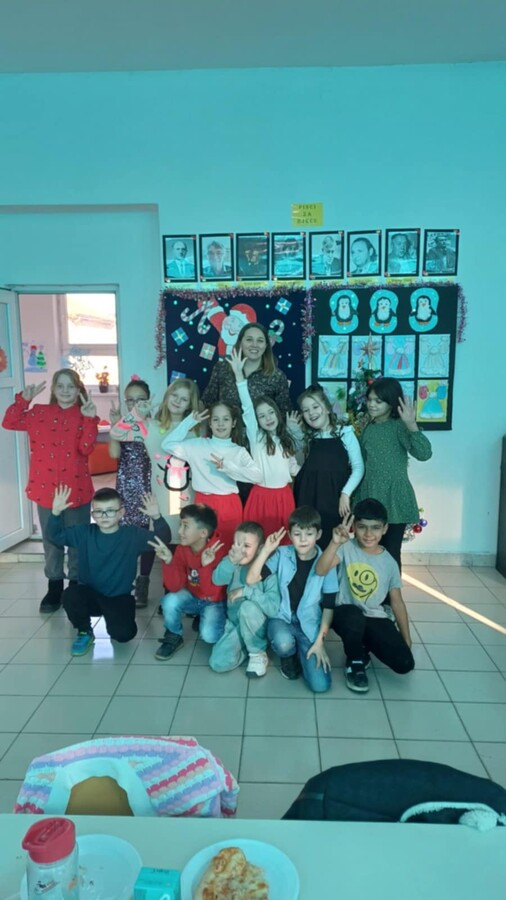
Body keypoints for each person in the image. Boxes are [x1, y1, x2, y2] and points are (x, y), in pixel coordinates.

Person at [2, 368, 99, 613]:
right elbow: (9, 422)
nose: (65, 390)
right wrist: (23, 400)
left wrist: (90, 419)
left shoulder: (85, 415)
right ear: (54, 389)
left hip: (76, 488)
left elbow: (86, 449)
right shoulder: (38, 412)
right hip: (45, 490)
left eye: (70, 386)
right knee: (51, 538)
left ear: (78, 390)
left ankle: (76, 585)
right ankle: (54, 585)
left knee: (77, 539)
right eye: (60, 386)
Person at [46, 485, 172, 656]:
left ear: (121, 513)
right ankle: (84, 631)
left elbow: (163, 539)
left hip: (118, 597)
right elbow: (54, 536)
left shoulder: (133, 535)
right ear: (93, 515)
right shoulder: (84, 533)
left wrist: (157, 517)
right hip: (90, 595)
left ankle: (113, 618)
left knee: (124, 635)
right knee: (70, 594)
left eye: (110, 511)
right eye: (99, 511)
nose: (104, 516)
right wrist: (55, 513)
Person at [315, 499, 414, 693]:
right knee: (354, 617)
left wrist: (406, 639)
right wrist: (334, 543)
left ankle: (363, 644)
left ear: (385, 528)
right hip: (345, 613)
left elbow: (397, 602)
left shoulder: (389, 562)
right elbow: (320, 570)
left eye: (375, 528)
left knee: (405, 663)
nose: (369, 534)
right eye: (362, 527)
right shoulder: (346, 547)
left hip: (372, 615)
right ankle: (355, 661)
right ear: (354, 527)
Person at [246, 507, 337, 693]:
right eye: (297, 534)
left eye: (309, 534)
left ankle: (302, 652)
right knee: (283, 642)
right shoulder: (282, 553)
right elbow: (251, 579)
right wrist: (266, 551)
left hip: (308, 624)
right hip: (282, 617)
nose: (303, 539)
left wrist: (320, 641)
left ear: (318, 534)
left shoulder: (327, 561)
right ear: (289, 535)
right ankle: (288, 656)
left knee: (321, 686)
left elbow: (329, 606)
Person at [355, 377, 432, 574]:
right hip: (371, 495)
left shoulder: (399, 426)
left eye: (378, 401)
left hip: (394, 498)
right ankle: (369, 588)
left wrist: (411, 424)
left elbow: (424, 454)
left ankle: (392, 591)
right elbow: (361, 465)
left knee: (391, 551)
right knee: (366, 549)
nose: (371, 404)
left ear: (391, 403)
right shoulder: (368, 428)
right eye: (369, 399)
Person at [161, 402, 262, 548]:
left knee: (228, 548)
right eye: (216, 419)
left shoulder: (238, 451)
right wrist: (190, 422)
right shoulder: (196, 445)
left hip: (229, 504)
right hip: (203, 503)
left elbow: (257, 476)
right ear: (210, 423)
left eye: (226, 419)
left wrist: (228, 467)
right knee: (201, 548)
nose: (221, 424)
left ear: (233, 423)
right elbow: (167, 444)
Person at [109, 378, 201, 538]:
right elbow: (116, 433)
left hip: (188, 496)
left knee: (187, 540)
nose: (178, 401)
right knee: (164, 539)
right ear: (167, 396)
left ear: (189, 404)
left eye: (184, 399)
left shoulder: (196, 429)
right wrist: (136, 414)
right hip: (161, 498)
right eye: (174, 395)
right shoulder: (150, 425)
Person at [229, 347, 299, 539]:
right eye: (261, 416)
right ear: (257, 421)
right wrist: (239, 376)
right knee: (256, 541)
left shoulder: (286, 440)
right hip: (260, 497)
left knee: (283, 542)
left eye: (270, 413)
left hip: (284, 498)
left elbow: (294, 469)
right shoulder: (257, 436)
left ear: (277, 413)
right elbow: (247, 406)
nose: (267, 418)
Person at [152, 503, 227, 660]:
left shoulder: (219, 552)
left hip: (213, 601)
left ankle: (215, 619)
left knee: (210, 636)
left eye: (185, 526)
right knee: (169, 601)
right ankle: (174, 635)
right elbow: (174, 587)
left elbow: (210, 592)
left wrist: (205, 566)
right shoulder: (182, 549)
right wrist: (169, 562)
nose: (179, 531)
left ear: (203, 533)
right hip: (193, 596)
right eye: (180, 525)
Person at [294, 384, 364, 548]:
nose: (311, 413)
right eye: (305, 410)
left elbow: (358, 467)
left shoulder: (345, 433)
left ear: (326, 408)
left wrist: (345, 494)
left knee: (332, 543)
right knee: (309, 541)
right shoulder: (308, 437)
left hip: (334, 499)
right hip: (308, 499)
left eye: (315, 407)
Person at [209, 521, 281, 677]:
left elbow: (273, 608)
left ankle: (257, 652)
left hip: (258, 626)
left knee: (247, 607)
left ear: (260, 549)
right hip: (235, 624)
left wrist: (247, 591)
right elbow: (217, 579)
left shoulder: (268, 571)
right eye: (237, 544)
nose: (240, 550)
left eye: (247, 546)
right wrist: (230, 561)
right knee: (217, 663)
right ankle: (247, 646)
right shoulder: (232, 562)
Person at [109, 377, 154, 608]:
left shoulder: (154, 424)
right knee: (126, 535)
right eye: (130, 400)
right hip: (126, 487)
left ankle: (143, 581)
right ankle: (125, 580)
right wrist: (115, 425)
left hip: (150, 487)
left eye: (140, 400)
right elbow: (114, 454)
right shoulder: (121, 426)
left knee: (147, 534)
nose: (135, 405)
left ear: (149, 400)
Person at [202, 322, 292, 416]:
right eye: (249, 340)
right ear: (240, 343)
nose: (254, 345)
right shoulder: (222, 368)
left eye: (260, 341)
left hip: (259, 426)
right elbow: (207, 403)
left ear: (266, 345)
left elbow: (284, 414)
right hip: (226, 425)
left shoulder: (277, 376)